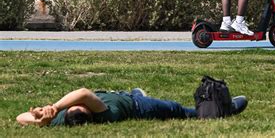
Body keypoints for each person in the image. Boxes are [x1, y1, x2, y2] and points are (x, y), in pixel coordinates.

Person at [16, 87, 248, 127]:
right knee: (179, 111)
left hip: (122, 96)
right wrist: (53, 107)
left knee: (130, 93)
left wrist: (39, 120)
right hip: (139, 106)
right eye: (82, 105)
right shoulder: (103, 114)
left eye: (72, 106)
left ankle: (136, 91)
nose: (78, 103)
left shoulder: (59, 121)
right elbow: (84, 93)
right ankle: (225, 110)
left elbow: (19, 118)